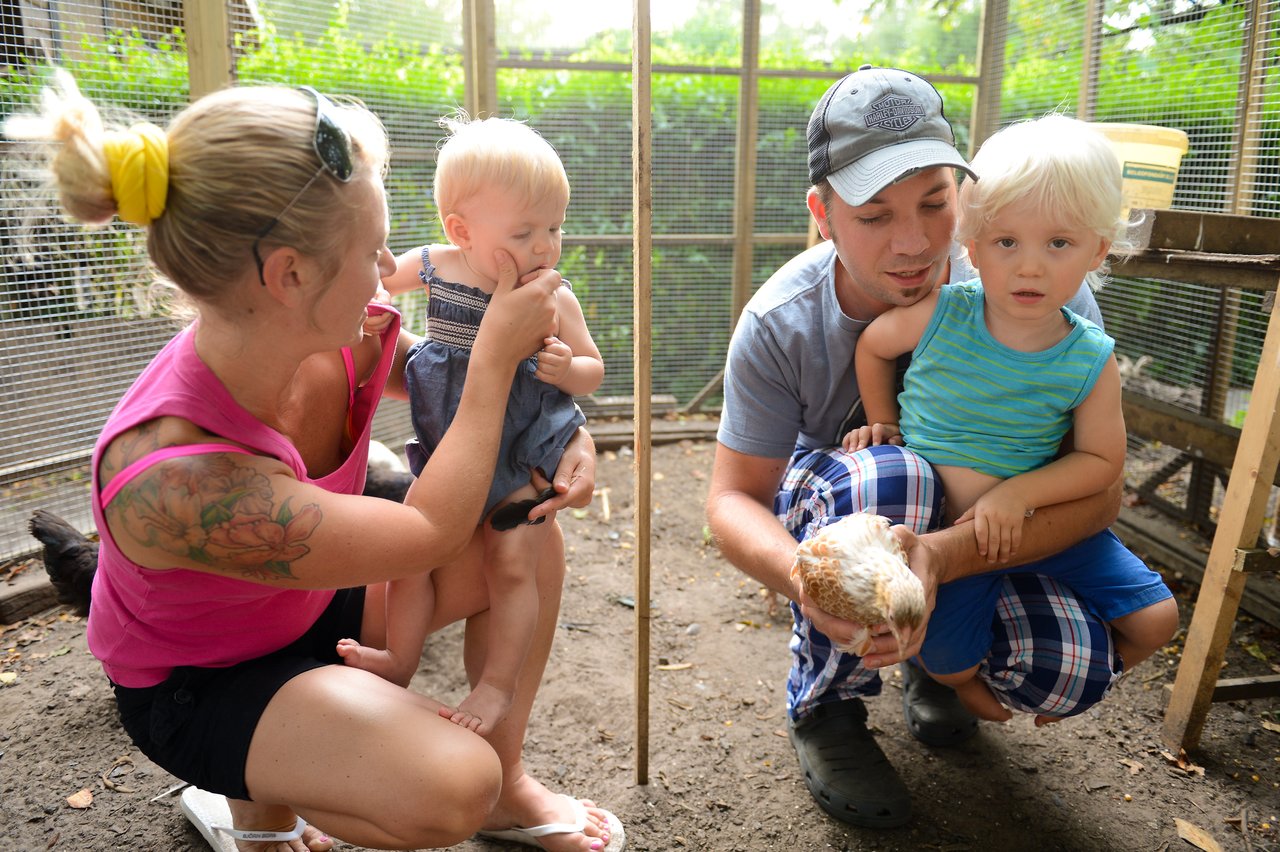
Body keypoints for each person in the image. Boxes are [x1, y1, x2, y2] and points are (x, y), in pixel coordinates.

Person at [6, 72, 623, 852]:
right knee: (453, 786)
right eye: (373, 250)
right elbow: (432, 528)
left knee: (529, 527)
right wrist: (500, 360)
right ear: (289, 275)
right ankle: (253, 798)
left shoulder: (344, 335)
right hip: (207, 678)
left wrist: (562, 434)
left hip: (308, 599)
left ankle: (499, 780)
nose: (391, 263)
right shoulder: (173, 476)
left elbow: (452, 381)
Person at [706, 64, 1129, 830]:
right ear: (823, 213)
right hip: (856, 504)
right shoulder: (780, 321)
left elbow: (1102, 489)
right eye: (873, 215)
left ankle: (937, 661)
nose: (913, 243)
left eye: (935, 203)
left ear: (965, 199)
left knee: (1068, 668)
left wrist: (946, 561)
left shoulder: (1032, 275)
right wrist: (805, 582)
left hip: (992, 528)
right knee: (898, 477)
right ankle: (826, 704)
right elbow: (731, 498)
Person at [845, 114, 1177, 723]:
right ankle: (967, 692)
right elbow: (874, 346)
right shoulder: (943, 313)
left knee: (1158, 620)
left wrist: (1019, 494)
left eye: (1058, 243)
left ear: (1099, 249)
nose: (1030, 267)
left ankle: (1084, 678)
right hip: (952, 533)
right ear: (972, 247)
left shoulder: (1089, 358)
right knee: (946, 657)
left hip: (1037, 525)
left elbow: (1103, 462)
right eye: (1007, 243)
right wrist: (883, 421)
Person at [337, 114, 604, 736]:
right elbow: (376, 280)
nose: (544, 246)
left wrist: (568, 368)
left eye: (554, 228)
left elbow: (593, 369)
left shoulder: (551, 296)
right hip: (448, 452)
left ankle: (496, 685)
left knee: (515, 562)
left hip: (522, 453)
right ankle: (399, 660)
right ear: (461, 230)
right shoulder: (435, 265)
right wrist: (368, 314)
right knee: (411, 558)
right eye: (524, 231)